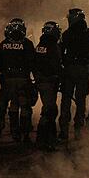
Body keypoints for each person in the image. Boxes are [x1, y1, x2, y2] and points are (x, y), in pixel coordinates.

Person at [0, 18, 36, 143]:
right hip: (23, 79)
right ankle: (25, 132)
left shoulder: (3, 44)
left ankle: (6, 128)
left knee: (7, 104)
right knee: (25, 105)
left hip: (7, 80)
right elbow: (33, 63)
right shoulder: (27, 44)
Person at [58, 8, 89, 140]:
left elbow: (60, 53)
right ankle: (78, 130)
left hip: (69, 70)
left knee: (66, 100)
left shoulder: (66, 35)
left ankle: (64, 130)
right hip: (83, 70)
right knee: (81, 101)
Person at [34, 21, 61, 151]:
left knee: (49, 108)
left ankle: (46, 138)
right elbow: (55, 65)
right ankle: (46, 139)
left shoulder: (40, 45)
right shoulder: (53, 46)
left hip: (41, 81)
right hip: (49, 81)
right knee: (49, 110)